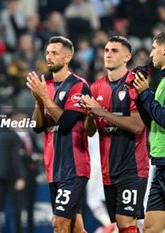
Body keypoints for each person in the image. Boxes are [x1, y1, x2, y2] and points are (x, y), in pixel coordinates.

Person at [83, 36, 149, 232]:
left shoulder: (135, 84)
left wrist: (101, 111)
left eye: (114, 51)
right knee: (122, 225)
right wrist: (89, 115)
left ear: (127, 56)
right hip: (108, 170)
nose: (108, 54)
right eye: (106, 50)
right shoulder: (96, 87)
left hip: (133, 168)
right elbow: (90, 131)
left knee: (126, 221)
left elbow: (138, 126)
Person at [26, 36, 90, 233]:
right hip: (53, 167)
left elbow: (66, 121)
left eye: (54, 53)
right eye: (47, 52)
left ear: (68, 57)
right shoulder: (48, 86)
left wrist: (44, 96)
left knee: (59, 224)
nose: (49, 57)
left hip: (73, 167)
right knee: (76, 227)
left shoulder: (78, 85)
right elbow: (37, 126)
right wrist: (38, 101)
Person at [132, 31, 165, 233]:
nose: (151, 54)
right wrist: (139, 96)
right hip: (160, 162)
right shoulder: (161, 82)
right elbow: (153, 119)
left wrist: (146, 94)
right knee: (151, 228)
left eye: (154, 48)